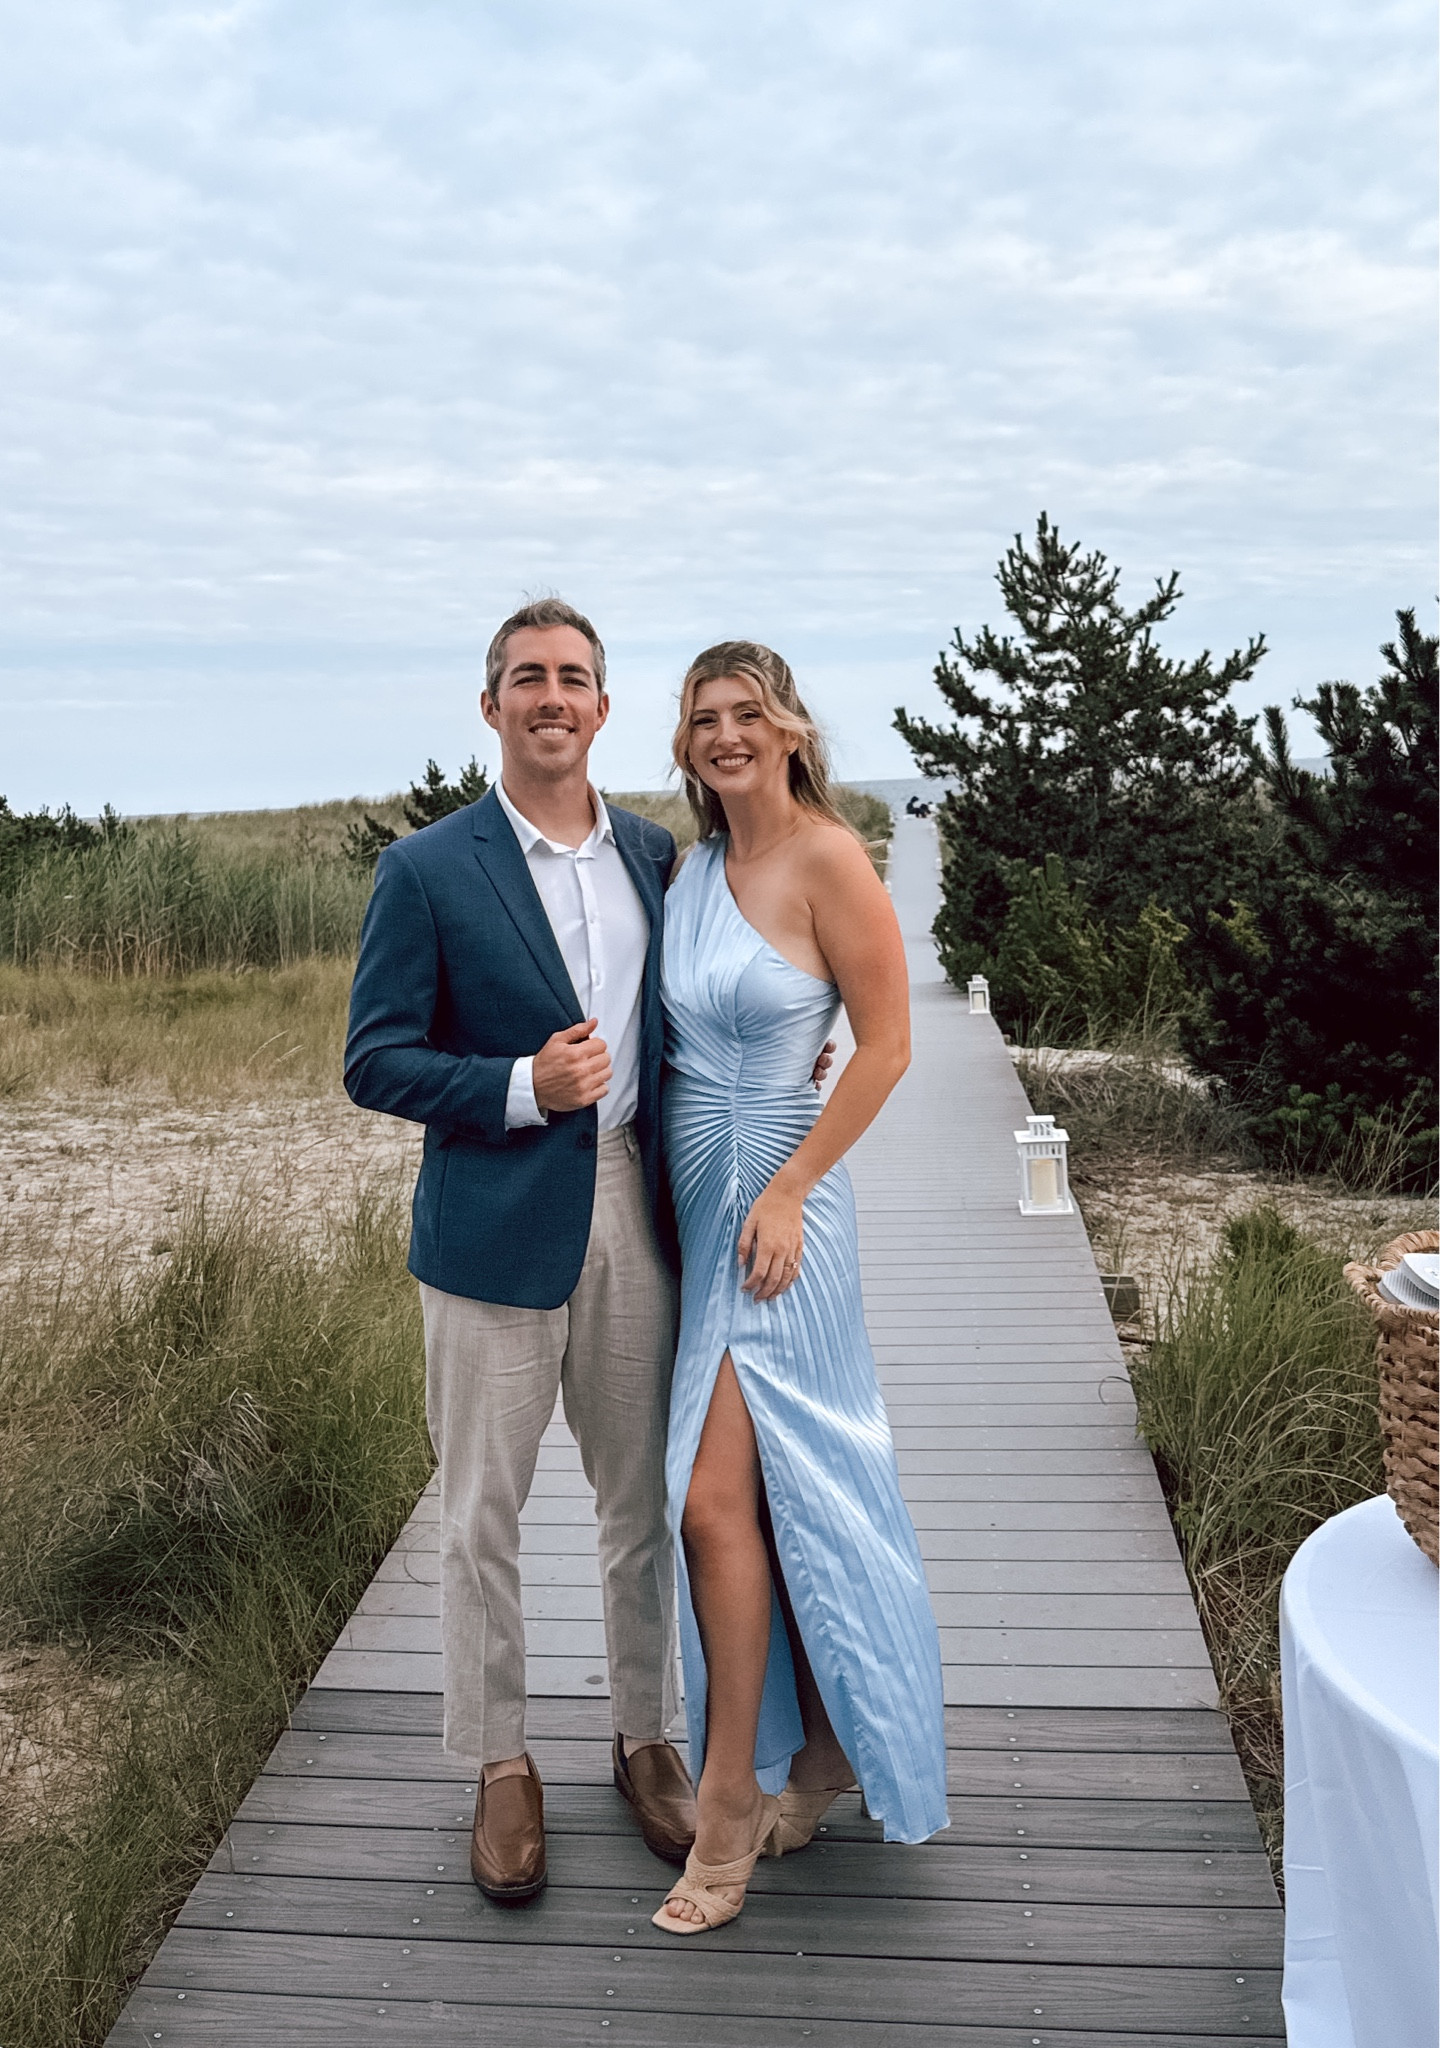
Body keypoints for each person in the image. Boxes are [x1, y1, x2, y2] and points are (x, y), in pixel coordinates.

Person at [341, 598, 698, 1904]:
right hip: (489, 1230)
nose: (553, 696)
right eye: (527, 678)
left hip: (634, 1217)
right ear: (490, 707)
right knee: (479, 1517)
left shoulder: (659, 859)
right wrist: (515, 1086)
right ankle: (500, 1764)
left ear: (604, 708)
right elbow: (373, 1060)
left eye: (576, 678)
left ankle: (647, 1737)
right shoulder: (427, 872)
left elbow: (700, 1017)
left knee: (637, 1504)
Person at [651, 641, 949, 1935]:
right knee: (770, 1501)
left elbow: (885, 1047)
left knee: (721, 1503)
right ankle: (822, 1753)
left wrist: (786, 1189)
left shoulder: (830, 857)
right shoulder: (688, 869)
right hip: (697, 1208)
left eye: (746, 713)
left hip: (785, 1218)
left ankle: (726, 1799)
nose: (725, 734)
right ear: (688, 743)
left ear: (788, 730)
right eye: (704, 718)